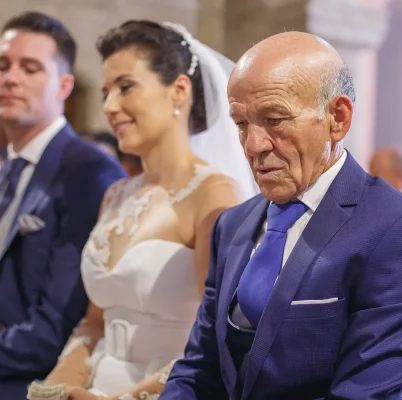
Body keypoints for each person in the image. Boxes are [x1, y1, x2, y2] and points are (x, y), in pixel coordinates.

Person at [161, 31, 402, 400]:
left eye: (274, 119)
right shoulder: (232, 225)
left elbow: (371, 392)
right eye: (241, 123)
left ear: (338, 118)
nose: (253, 145)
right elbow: (200, 365)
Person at [26, 20, 251, 400]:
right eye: (105, 93)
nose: (110, 107)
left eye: (125, 87)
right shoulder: (115, 195)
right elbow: (95, 321)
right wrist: (60, 385)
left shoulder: (215, 197)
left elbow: (213, 338)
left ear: (178, 91)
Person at [0, 12, 125, 398]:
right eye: (3, 65)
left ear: (65, 84)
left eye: (31, 67)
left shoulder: (88, 171)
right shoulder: (8, 167)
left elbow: (59, 323)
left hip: (28, 379)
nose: (10, 77)